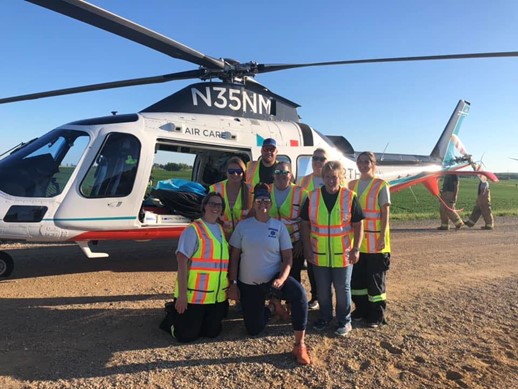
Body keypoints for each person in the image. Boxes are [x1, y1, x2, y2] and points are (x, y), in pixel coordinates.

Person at [227, 183, 311, 365]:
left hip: (274, 280)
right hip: (249, 284)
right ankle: (273, 308)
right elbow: (234, 257)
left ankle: (300, 344)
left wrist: (282, 278)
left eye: (266, 200)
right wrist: (232, 283)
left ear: (270, 203)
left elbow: (288, 258)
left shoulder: (279, 227)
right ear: (254, 203)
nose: (262, 203)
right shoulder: (243, 226)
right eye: (258, 200)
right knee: (253, 329)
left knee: (299, 295)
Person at [300, 161, 364, 336]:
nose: (331, 180)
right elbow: (305, 224)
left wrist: (356, 248)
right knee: (322, 290)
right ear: (322, 178)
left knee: (343, 289)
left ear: (341, 177)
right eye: (327, 177)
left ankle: (344, 320)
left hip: (343, 254)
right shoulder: (312, 196)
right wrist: (307, 247)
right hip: (319, 253)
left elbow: (358, 225)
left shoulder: (349, 196)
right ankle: (325, 317)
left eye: (334, 177)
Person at [170, 192, 229, 342]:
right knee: (186, 336)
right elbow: (182, 262)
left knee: (212, 333)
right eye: (212, 204)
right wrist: (182, 295)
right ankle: (170, 319)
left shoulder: (221, 229)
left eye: (219, 205)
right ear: (204, 206)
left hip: (215, 297)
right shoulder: (193, 229)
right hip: (194, 297)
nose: (215, 207)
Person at [348, 152, 391, 328]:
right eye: (360, 162)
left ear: (373, 164)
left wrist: (382, 235)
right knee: (357, 280)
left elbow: (385, 212)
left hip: (375, 243)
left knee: (375, 281)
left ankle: (376, 314)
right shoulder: (351, 185)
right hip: (357, 242)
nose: (363, 165)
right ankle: (361, 309)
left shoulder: (381, 185)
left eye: (367, 162)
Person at [296, 148, 329, 310]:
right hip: (309, 229)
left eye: (321, 159)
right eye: (315, 158)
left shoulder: (332, 180)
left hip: (327, 232)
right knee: (311, 265)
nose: (317, 162)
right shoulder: (303, 181)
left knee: (325, 267)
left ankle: (326, 298)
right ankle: (315, 296)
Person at [270, 161, 307, 284]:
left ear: (291, 175)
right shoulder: (267, 190)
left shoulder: (301, 193)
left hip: (294, 243)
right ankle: (275, 302)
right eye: (277, 172)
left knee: (293, 275)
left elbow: (306, 221)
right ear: (273, 175)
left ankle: (292, 303)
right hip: (271, 241)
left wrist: (301, 242)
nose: (281, 175)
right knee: (272, 273)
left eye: (285, 172)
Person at [209, 157, 252, 239]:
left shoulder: (251, 190)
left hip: (244, 237)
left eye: (239, 172)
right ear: (226, 172)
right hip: (220, 235)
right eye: (231, 171)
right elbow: (209, 213)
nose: (235, 174)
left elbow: (254, 214)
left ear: (243, 173)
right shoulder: (215, 189)